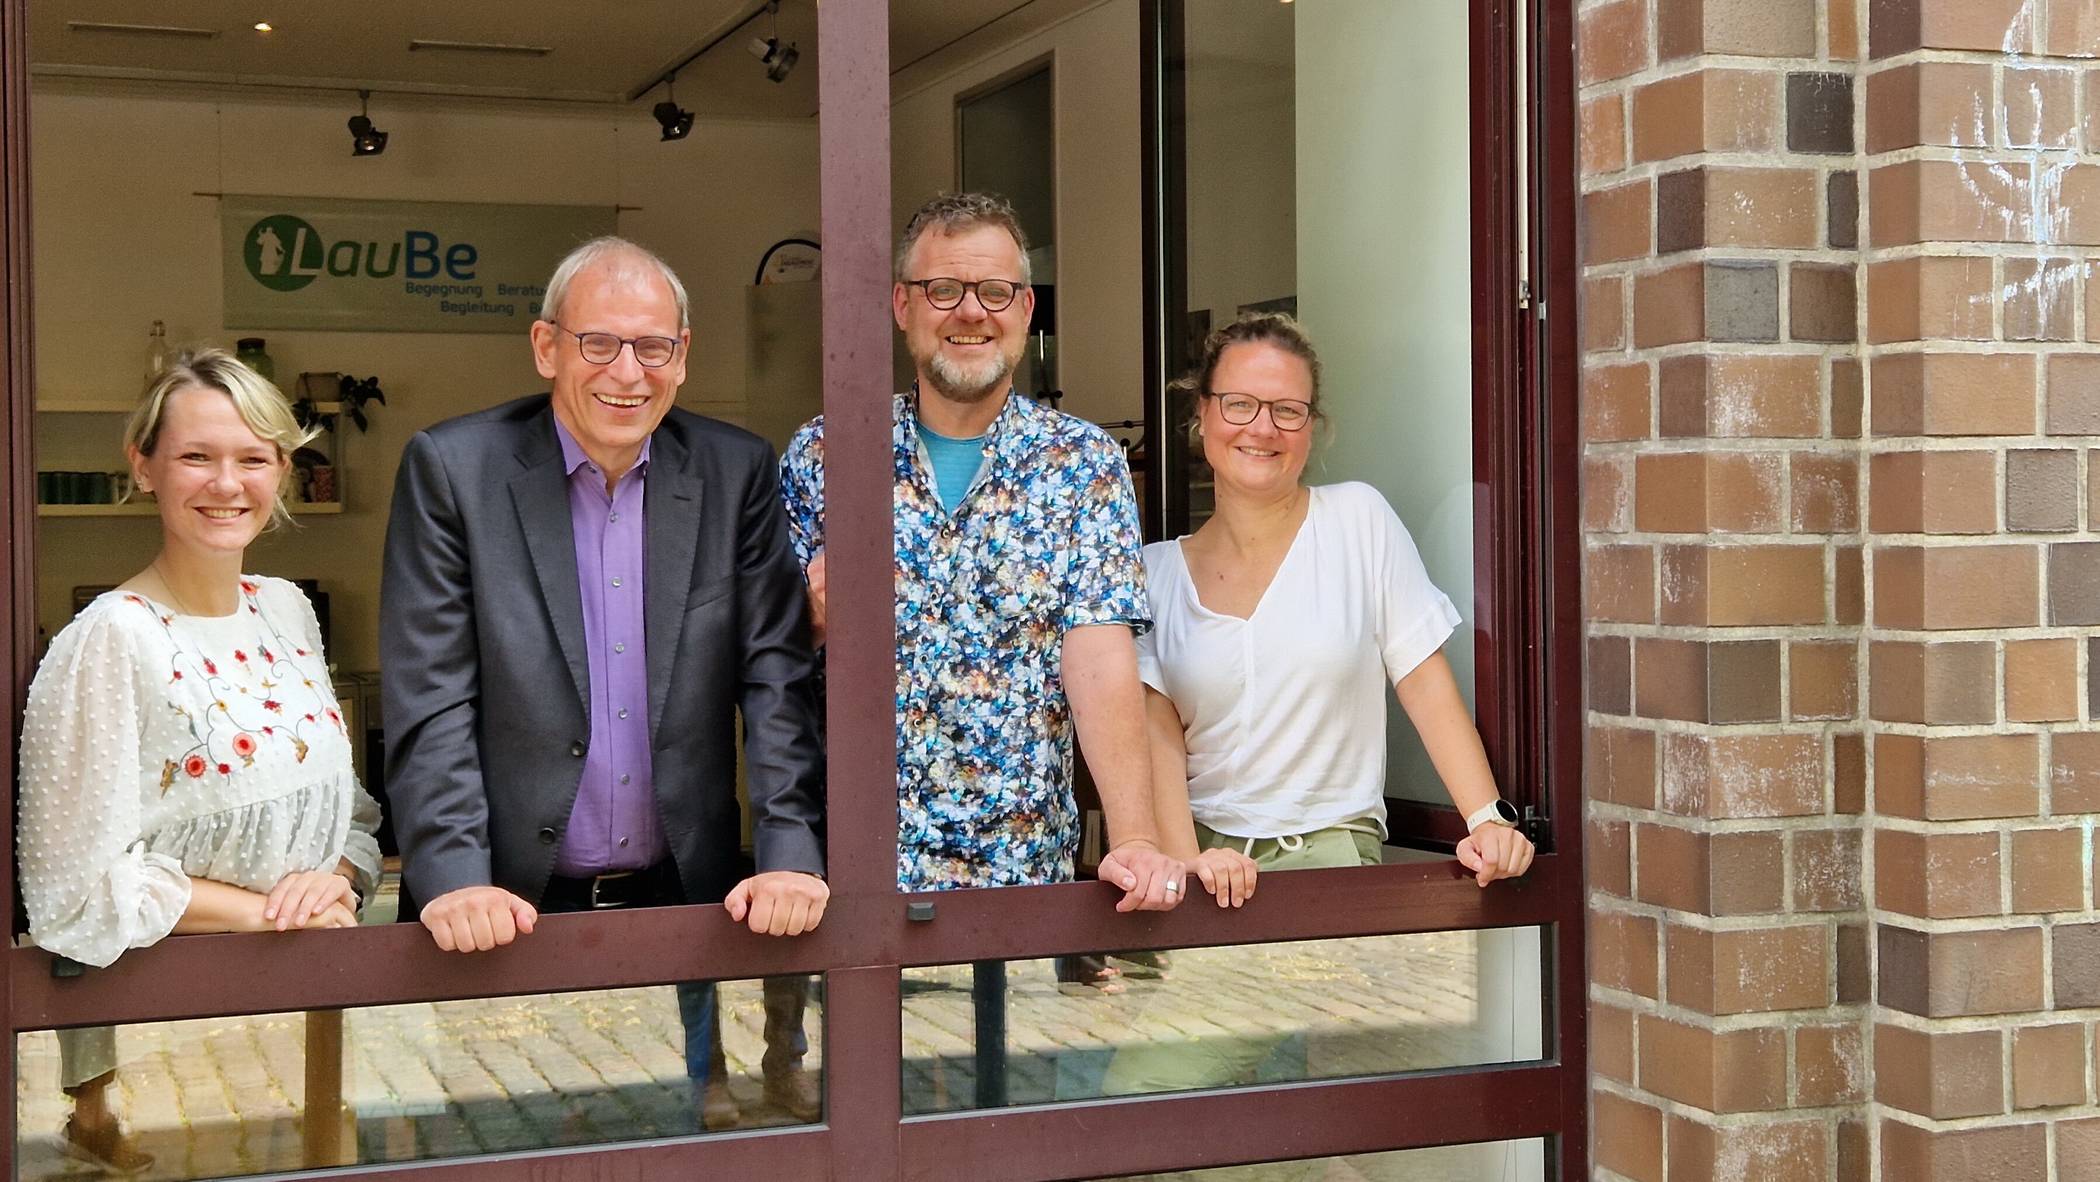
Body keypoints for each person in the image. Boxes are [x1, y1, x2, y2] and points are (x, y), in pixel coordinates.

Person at [381, 236, 827, 1129]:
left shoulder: (735, 472)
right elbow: (431, 696)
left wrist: (790, 857)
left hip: (687, 899)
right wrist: (455, 878)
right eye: (599, 344)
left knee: (690, 1138)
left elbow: (775, 681)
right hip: (499, 909)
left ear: (683, 356)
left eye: (653, 347)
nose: (628, 372)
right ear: (547, 347)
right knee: (491, 1140)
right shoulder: (454, 470)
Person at [1100, 312, 1536, 1095]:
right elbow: (1156, 740)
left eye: (1287, 410)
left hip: (1323, 857)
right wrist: (1193, 861)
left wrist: (1487, 819)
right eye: (1238, 404)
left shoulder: (1357, 522)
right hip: (1201, 862)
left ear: (1312, 426)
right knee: (1250, 1106)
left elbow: (1424, 684)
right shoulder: (1153, 572)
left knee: (1139, 1096)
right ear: (1200, 415)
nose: (1261, 428)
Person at [18, 348, 382, 1172]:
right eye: (196, 456)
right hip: (170, 1048)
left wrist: (341, 878)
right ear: (142, 466)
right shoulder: (111, 641)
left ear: (283, 472)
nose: (227, 484)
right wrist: (264, 913)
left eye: (254, 458)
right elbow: (70, 891)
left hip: (311, 1020)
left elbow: (348, 811)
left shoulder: (287, 610)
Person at [781, 192, 1183, 907]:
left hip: (1022, 882)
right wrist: (808, 616)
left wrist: (1135, 839)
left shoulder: (1081, 463)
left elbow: (1099, 662)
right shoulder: (825, 453)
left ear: (1026, 312)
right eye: (944, 290)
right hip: (850, 886)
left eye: (995, 292)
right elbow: (769, 663)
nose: (971, 313)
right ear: (903, 307)